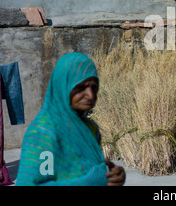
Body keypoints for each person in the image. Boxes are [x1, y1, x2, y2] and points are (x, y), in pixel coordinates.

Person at [15, 52, 125, 186]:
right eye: (80, 88)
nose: (90, 95)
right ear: (63, 86)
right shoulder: (43, 132)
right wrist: (91, 182)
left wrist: (113, 176)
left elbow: (88, 169)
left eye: (94, 87)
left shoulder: (90, 128)